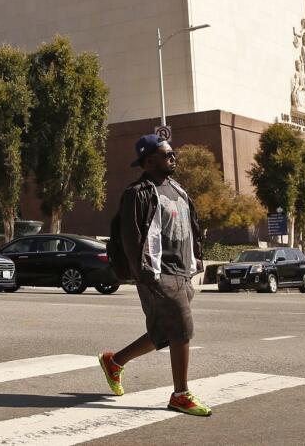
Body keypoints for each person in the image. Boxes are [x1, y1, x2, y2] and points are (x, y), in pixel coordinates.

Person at [99, 135, 210, 416]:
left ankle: (115, 362)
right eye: (167, 154)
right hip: (158, 270)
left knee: (165, 331)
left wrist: (196, 258)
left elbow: (191, 227)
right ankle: (180, 394)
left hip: (182, 270)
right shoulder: (138, 193)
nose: (173, 157)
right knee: (182, 328)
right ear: (149, 160)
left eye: (173, 153)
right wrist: (144, 274)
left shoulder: (178, 190)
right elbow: (130, 237)